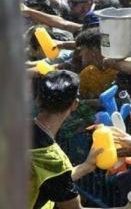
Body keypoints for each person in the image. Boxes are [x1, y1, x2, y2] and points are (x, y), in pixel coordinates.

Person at [30, 71, 101, 209]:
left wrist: (85, 167)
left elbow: (49, 178)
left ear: (38, 100)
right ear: (75, 104)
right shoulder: (51, 158)